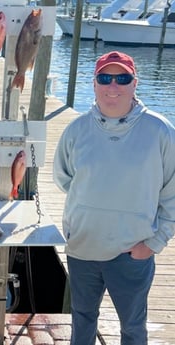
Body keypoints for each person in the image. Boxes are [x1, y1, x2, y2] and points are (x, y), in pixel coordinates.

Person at [53, 50, 175, 344]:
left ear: (135, 84)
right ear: (94, 84)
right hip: (82, 248)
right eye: (105, 77)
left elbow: (172, 194)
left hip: (132, 253)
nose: (113, 86)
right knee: (81, 321)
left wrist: (155, 243)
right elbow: (64, 178)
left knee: (132, 329)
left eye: (123, 78)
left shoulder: (160, 131)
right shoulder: (75, 130)